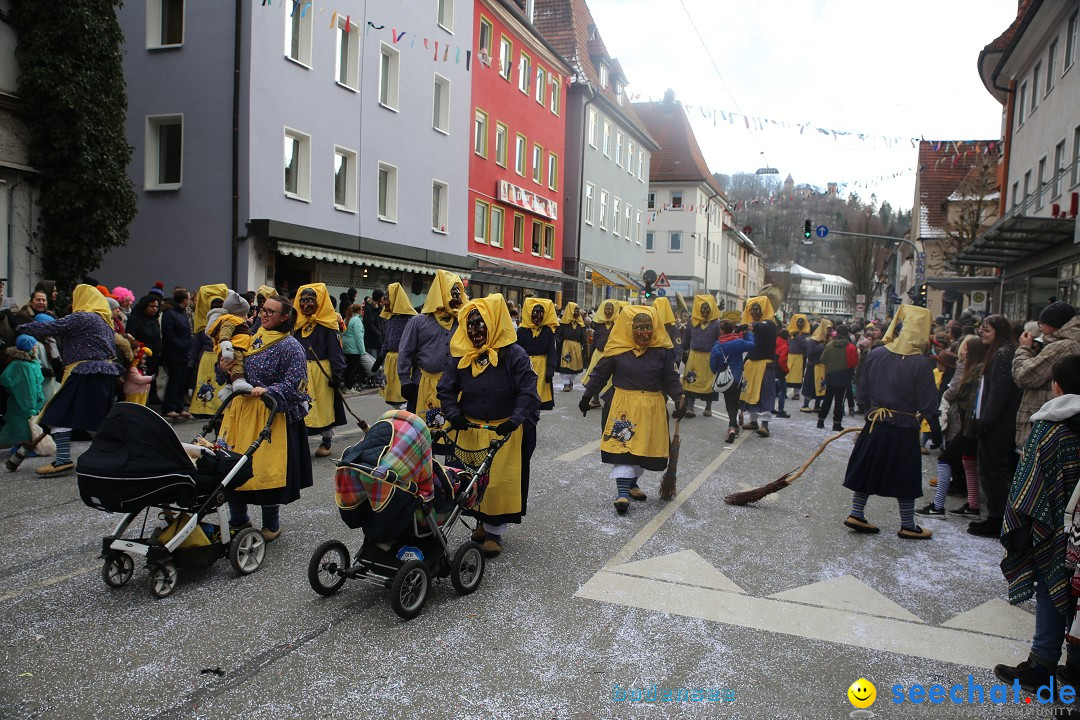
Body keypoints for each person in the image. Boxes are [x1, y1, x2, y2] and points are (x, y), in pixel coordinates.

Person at [995, 354, 1080, 692]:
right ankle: (1074, 666)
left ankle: (1041, 663)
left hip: (1054, 527)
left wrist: (1021, 524)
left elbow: (1029, 483)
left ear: (1056, 386)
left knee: (1050, 586)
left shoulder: (1049, 426)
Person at [438, 294, 540, 558]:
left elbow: (529, 392)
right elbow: (446, 388)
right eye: (470, 325)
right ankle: (481, 522)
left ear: (493, 324)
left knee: (496, 484)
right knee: (469, 480)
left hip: (503, 430)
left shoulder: (514, 354)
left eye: (480, 324)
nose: (474, 331)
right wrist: (453, 412)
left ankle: (494, 532)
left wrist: (514, 420)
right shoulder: (462, 355)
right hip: (470, 430)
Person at [218, 294, 313, 542]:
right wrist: (225, 368)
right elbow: (234, 367)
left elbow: (297, 385)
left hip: (270, 414)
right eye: (263, 310)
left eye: (271, 311)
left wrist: (268, 391)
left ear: (284, 317)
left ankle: (271, 523)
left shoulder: (290, 346)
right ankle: (238, 519)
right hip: (240, 412)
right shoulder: (251, 336)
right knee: (232, 465)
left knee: (264, 470)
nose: (265, 314)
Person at [841, 304, 940, 540]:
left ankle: (857, 513)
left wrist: (870, 412)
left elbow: (862, 392)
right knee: (905, 473)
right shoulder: (921, 364)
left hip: (876, 423)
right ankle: (907, 524)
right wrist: (937, 433)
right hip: (904, 428)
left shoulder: (876, 353)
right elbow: (928, 404)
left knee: (868, 466)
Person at [580, 305, 686, 513]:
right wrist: (586, 396)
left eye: (648, 327)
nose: (644, 332)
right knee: (623, 449)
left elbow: (671, 379)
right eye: (639, 327)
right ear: (630, 328)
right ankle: (621, 493)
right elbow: (600, 375)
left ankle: (632, 484)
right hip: (623, 407)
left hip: (652, 409)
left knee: (643, 451)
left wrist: (680, 398)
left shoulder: (662, 352)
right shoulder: (617, 350)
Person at [16, 285, 121, 476]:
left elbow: (52, 327)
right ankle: (113, 457)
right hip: (104, 374)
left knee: (58, 412)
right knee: (97, 420)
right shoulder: (105, 322)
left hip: (85, 372)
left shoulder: (83, 317)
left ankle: (64, 459)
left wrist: (21, 326)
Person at [969, 314, 1023, 538]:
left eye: (987, 329)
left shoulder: (1003, 354)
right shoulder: (1001, 352)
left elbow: (997, 394)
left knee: (993, 472)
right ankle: (994, 517)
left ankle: (997, 519)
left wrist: (986, 422)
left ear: (999, 332)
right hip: (994, 422)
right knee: (991, 472)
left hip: (997, 425)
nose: (982, 332)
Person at [1013, 302, 1080, 456]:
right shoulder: (1070, 342)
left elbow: (1023, 376)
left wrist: (1024, 348)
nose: (1040, 327)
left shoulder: (1062, 347)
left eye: (1041, 323)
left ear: (1053, 324)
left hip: (1047, 427)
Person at [399, 270, 466, 422]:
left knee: (449, 429)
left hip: (452, 386)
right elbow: (406, 351)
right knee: (419, 430)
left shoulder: (462, 323)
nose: (458, 299)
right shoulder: (419, 322)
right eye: (454, 294)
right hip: (422, 384)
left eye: (459, 295)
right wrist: (405, 382)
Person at [293, 283, 347, 458]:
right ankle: (300, 442)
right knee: (300, 407)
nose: (305, 305)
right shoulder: (297, 324)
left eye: (310, 300)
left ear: (319, 302)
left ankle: (327, 441)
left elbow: (335, 351)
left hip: (321, 372)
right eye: (302, 300)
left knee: (323, 406)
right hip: (300, 372)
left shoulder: (327, 324)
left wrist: (337, 374)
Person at [739, 296, 778, 438]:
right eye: (752, 309)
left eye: (757, 309)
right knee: (750, 393)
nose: (754, 312)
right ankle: (753, 421)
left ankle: (765, 425)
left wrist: (749, 326)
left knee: (765, 394)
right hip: (751, 365)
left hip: (765, 366)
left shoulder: (769, 324)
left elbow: (762, 326)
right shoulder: (751, 325)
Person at [711, 320, 754, 443]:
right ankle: (733, 425)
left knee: (729, 402)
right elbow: (751, 345)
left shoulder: (717, 345)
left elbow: (712, 364)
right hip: (737, 377)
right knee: (734, 401)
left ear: (723, 331)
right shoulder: (739, 342)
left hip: (724, 379)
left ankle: (733, 426)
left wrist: (718, 371)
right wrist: (748, 333)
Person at [0, 335, 45, 451]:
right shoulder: (23, 365)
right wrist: (31, 408)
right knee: (23, 427)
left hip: (21, 403)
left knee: (18, 426)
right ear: (30, 347)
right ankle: (23, 447)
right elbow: (27, 390)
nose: (36, 347)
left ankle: (20, 445)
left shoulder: (27, 362)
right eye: (34, 345)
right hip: (25, 404)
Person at [680, 295, 722, 419]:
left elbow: (719, 340)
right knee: (691, 381)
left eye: (707, 308)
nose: (704, 311)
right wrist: (682, 351)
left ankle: (708, 407)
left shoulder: (716, 324)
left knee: (708, 382)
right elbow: (686, 340)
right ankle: (690, 407)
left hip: (709, 357)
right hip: (694, 357)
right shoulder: (692, 322)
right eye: (702, 308)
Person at [377, 282, 417, 408]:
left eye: (386, 299)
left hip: (403, 362)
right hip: (390, 362)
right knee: (392, 399)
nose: (383, 302)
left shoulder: (411, 320)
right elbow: (387, 341)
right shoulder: (391, 318)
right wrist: (380, 357)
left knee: (401, 397)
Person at [516, 297, 559, 411]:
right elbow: (515, 350)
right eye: (535, 312)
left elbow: (551, 351)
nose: (538, 316)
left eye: (541, 313)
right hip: (525, 364)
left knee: (538, 394)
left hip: (541, 366)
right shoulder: (521, 331)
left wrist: (550, 370)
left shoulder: (548, 331)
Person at [816, 324, 858, 432]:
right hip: (844, 376)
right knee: (839, 402)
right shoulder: (851, 347)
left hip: (830, 375)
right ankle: (836, 423)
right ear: (847, 333)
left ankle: (820, 421)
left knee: (827, 399)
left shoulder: (829, 345)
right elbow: (854, 362)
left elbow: (822, 359)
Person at [160, 288, 193, 419]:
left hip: (184, 353)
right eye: (189, 298)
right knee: (174, 380)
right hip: (174, 353)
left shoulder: (182, 313)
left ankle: (179, 407)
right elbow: (169, 334)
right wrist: (181, 345)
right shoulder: (170, 313)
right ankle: (169, 407)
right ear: (185, 300)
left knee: (182, 381)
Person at [125, 295, 163, 404]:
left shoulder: (154, 319)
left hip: (154, 355)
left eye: (156, 306)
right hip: (140, 356)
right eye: (151, 306)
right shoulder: (135, 319)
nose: (154, 309)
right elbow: (132, 338)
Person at [581, 299, 620, 405]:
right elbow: (595, 339)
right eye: (606, 309)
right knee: (596, 375)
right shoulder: (599, 324)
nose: (608, 311)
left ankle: (609, 401)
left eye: (611, 309)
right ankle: (595, 398)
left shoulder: (618, 324)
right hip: (598, 354)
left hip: (612, 355)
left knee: (611, 379)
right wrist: (590, 354)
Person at [800, 319, 831, 413]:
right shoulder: (813, 340)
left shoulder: (827, 339)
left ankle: (817, 405)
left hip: (822, 367)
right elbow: (810, 352)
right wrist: (822, 346)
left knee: (820, 387)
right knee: (810, 386)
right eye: (827, 329)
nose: (829, 331)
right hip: (813, 367)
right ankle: (805, 405)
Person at [342, 303, 375, 390]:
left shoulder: (347, 319)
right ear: (359, 311)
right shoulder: (356, 320)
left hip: (346, 347)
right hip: (354, 349)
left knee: (348, 368)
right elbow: (359, 337)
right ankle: (349, 388)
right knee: (353, 368)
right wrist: (362, 351)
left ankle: (347, 386)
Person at [556, 302, 587, 392]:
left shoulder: (581, 325)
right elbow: (558, 335)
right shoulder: (564, 324)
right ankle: (566, 383)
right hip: (566, 347)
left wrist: (584, 346)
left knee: (575, 365)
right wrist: (559, 343)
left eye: (578, 311)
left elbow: (583, 337)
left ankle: (571, 381)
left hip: (576, 348)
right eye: (575, 311)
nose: (577, 313)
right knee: (566, 364)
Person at [786, 315, 809, 402]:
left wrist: (798, 338)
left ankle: (797, 393)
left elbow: (807, 345)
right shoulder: (789, 332)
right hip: (789, 356)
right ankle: (783, 390)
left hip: (800, 358)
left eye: (802, 322)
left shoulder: (806, 334)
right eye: (798, 322)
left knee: (798, 375)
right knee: (787, 374)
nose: (800, 324)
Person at [363, 288, 385, 370]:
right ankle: (373, 379)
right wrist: (378, 334)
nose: (384, 299)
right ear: (379, 298)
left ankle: (379, 379)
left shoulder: (380, 309)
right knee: (373, 363)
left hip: (380, 341)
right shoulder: (369, 309)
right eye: (383, 297)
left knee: (380, 363)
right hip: (372, 341)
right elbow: (369, 324)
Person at [774, 328, 791, 418]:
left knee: (773, 391)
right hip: (780, 371)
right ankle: (781, 410)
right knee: (782, 391)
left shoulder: (774, 343)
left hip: (772, 370)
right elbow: (782, 360)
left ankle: (771, 408)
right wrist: (786, 370)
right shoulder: (784, 346)